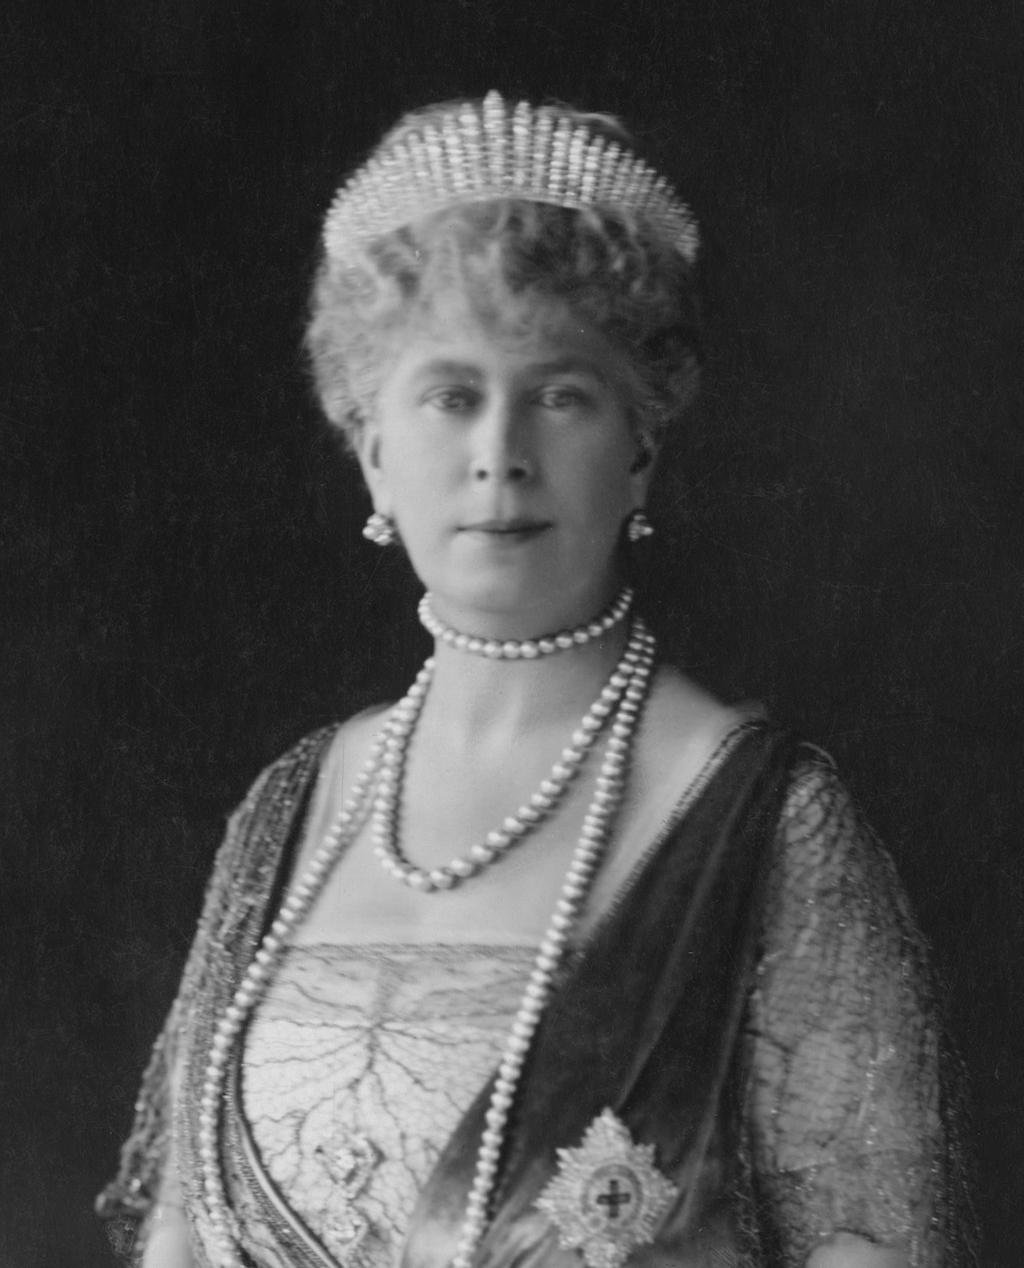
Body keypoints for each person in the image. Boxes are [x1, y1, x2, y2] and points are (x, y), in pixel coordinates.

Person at [96, 92, 977, 1268]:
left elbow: (874, 1247)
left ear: (640, 444)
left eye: (560, 394)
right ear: (373, 453)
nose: (498, 452)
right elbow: (181, 1233)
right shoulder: (290, 807)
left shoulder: (769, 829)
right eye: (450, 394)